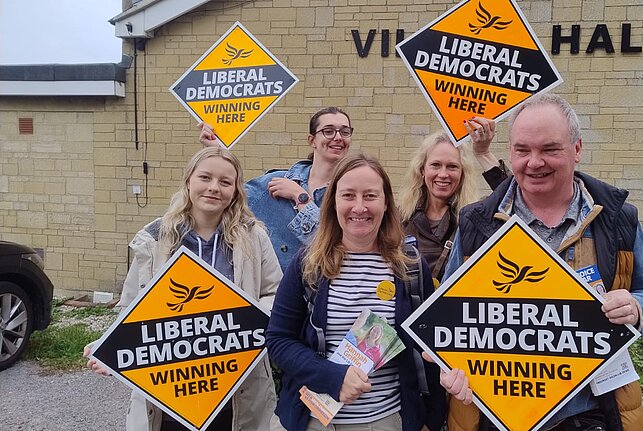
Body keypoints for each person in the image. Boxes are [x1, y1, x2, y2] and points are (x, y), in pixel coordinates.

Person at [440, 93, 643, 431]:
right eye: (522, 150)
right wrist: (448, 361)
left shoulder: (618, 219)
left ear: (577, 149)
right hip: (496, 413)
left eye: (549, 149)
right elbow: (447, 311)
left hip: (590, 411)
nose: (534, 162)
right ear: (510, 152)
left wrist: (636, 307)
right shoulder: (478, 222)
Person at [85, 147, 283, 431]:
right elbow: (132, 307)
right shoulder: (153, 238)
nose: (214, 188)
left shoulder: (254, 237)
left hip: (237, 387)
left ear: (236, 191)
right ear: (189, 181)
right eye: (205, 177)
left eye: (225, 182)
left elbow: (274, 294)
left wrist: (238, 326)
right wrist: (112, 351)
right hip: (169, 390)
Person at [266, 153, 447, 431]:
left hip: (386, 421)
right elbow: (279, 340)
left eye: (370, 196)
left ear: (386, 203)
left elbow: (427, 347)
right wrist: (332, 376)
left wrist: (432, 419)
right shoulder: (308, 264)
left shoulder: (410, 266)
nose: (359, 207)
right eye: (348, 195)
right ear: (333, 202)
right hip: (314, 421)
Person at [199, 107, 353, 272]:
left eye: (345, 132)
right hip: (275, 295)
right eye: (328, 131)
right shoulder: (274, 184)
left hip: (329, 294)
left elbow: (332, 248)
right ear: (312, 140)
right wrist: (216, 151)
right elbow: (229, 198)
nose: (338, 137)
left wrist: (300, 197)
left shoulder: (353, 195)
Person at [398, 131, 480, 282]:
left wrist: (484, 153)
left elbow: (514, 199)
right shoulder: (399, 218)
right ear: (422, 170)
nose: (443, 174)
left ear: (462, 173)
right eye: (435, 165)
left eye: (452, 167)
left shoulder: (476, 220)